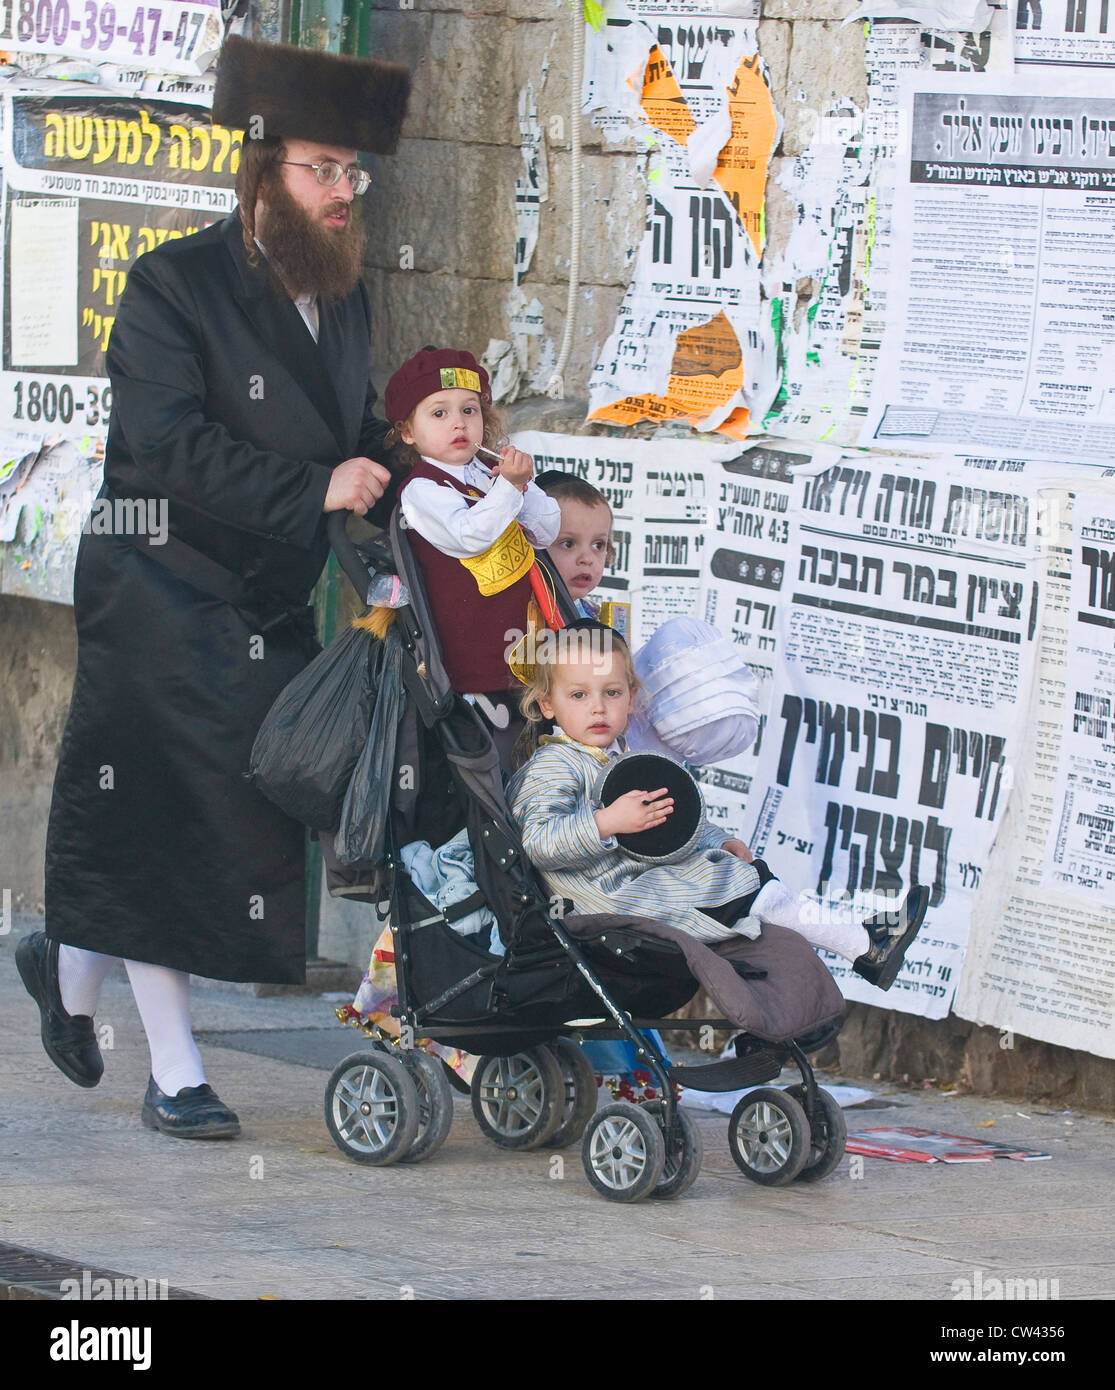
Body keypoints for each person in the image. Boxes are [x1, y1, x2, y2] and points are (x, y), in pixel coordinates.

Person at [17, 36, 411, 1139]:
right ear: (261, 172)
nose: (342, 194)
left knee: (229, 820)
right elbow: (164, 446)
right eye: (322, 169)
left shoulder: (343, 294)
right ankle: (176, 1071)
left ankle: (69, 955)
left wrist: (441, 452)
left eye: (353, 174)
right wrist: (315, 483)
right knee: (172, 818)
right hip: (156, 578)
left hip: (262, 598)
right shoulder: (170, 284)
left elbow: (357, 431)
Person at [505, 623, 928, 991]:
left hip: (641, 880)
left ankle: (847, 956)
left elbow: (673, 821)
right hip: (602, 897)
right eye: (578, 695)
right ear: (547, 705)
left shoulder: (624, 756)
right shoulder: (553, 765)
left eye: (611, 692)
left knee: (739, 873)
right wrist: (606, 822)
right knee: (737, 884)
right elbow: (539, 842)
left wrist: (719, 838)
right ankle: (863, 946)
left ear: (632, 698)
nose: (598, 707)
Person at [380, 346, 561, 765]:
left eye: (470, 410)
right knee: (495, 755)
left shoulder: (488, 471)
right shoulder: (422, 490)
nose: (459, 422)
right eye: (439, 413)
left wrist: (522, 486)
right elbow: (469, 536)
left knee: (534, 746)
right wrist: (510, 489)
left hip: (525, 644)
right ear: (408, 431)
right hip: (471, 656)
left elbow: (547, 529)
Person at [535, 472, 615, 616]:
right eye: (568, 544)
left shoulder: (594, 616)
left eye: (598, 545)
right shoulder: (525, 616)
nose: (587, 559)